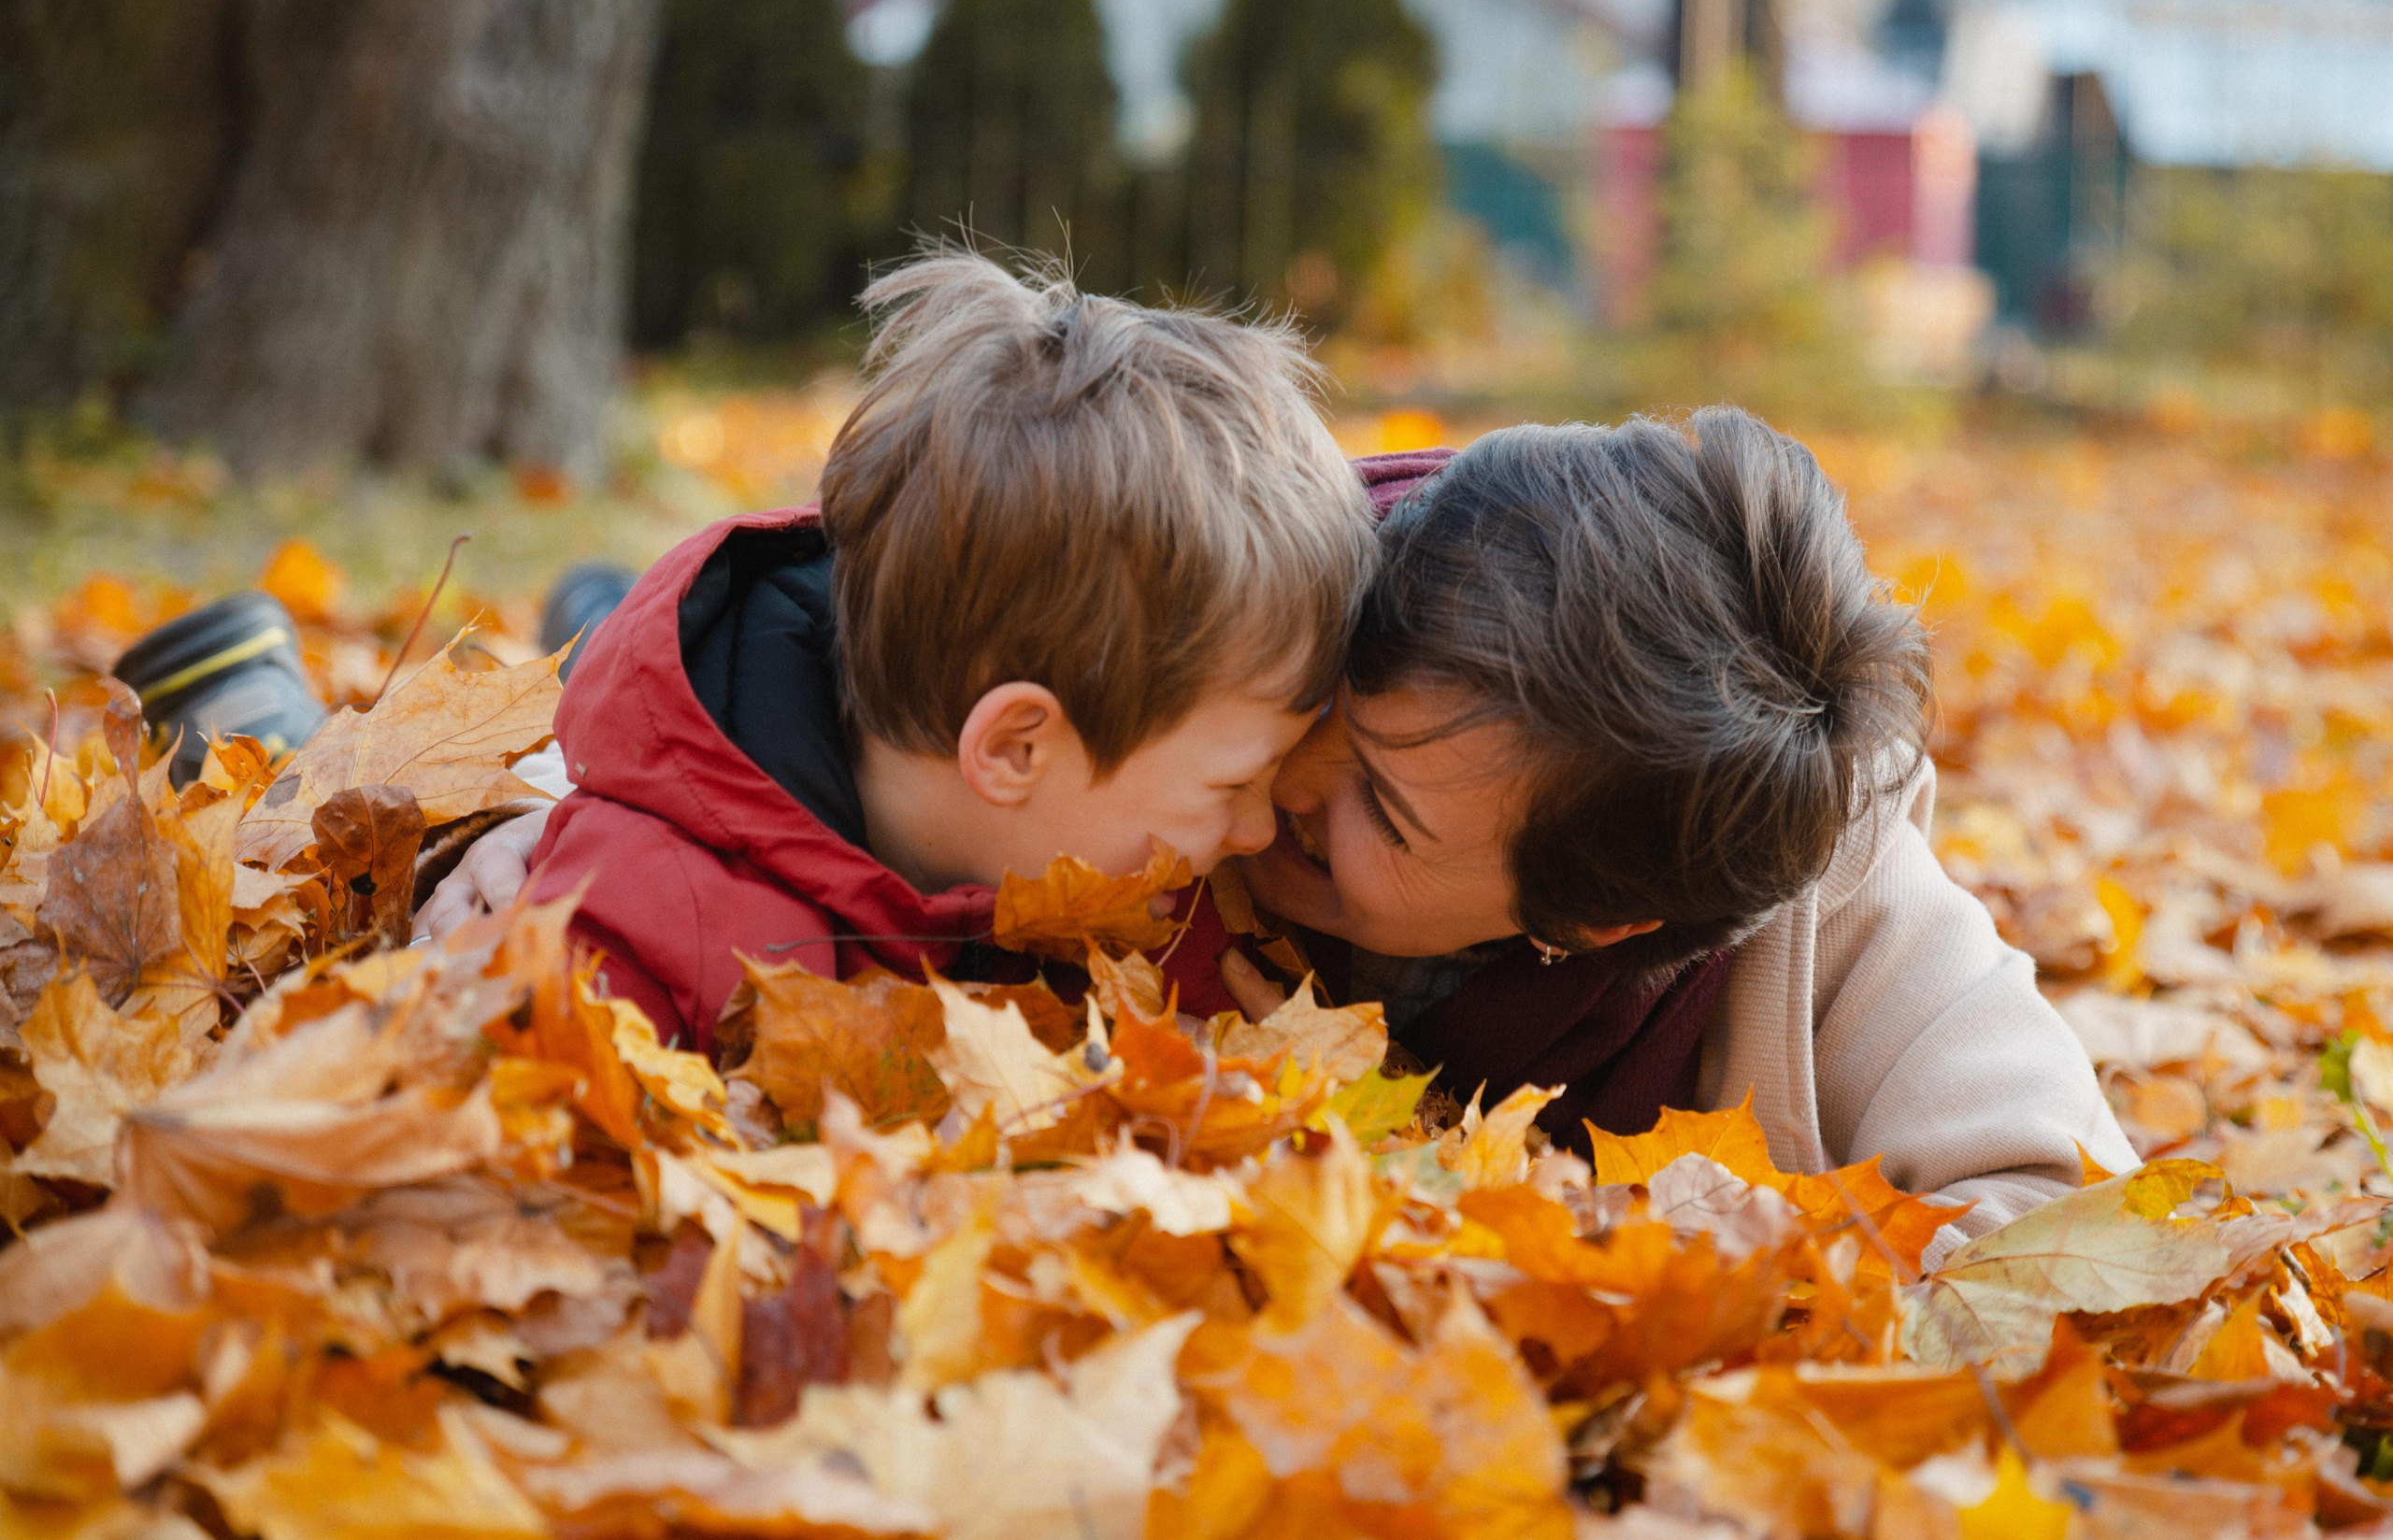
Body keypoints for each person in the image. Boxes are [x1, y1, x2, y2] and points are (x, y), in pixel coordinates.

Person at [428, 411, 2132, 1257]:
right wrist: (530, 811)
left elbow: (2080, 1239)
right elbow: (850, 646)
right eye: (1333, 705)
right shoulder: (1268, 599)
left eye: (1382, 808)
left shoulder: (1812, 913)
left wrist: (1670, 1276)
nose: (1289, 786)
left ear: (1586, 928)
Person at [475, 251, 1374, 1053]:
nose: (1264, 828)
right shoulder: (677, 927)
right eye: (1234, 785)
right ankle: (590, 605)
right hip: (698, 704)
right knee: (595, 638)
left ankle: (592, 600)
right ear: (1016, 747)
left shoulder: (1127, 853)